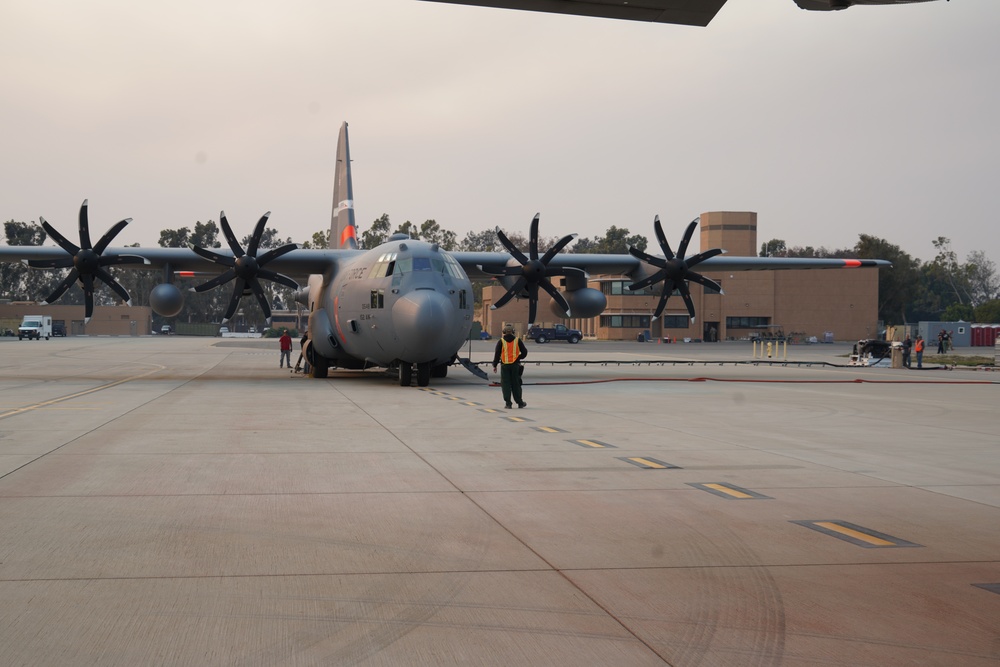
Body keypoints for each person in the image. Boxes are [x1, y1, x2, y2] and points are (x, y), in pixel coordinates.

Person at [492, 323, 527, 409]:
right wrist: (518, 357)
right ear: (513, 331)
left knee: (506, 384)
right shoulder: (517, 340)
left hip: (505, 366)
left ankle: (508, 403)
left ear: (504, 332)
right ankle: (520, 402)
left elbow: (497, 354)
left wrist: (495, 365)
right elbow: (525, 352)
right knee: (516, 384)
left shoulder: (501, 341)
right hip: (515, 366)